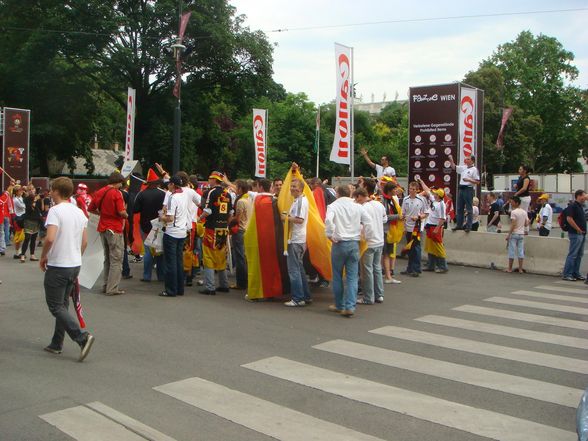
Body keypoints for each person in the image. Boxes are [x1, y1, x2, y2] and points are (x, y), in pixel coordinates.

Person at [39, 177, 94, 361]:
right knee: (63, 305)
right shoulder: (79, 212)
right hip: (74, 264)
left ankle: (82, 337)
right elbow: (84, 241)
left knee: (55, 306)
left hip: (58, 264)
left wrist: (43, 256)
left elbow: (50, 238)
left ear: (56, 191)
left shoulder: (55, 211)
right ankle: (57, 342)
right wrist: (76, 255)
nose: (50, 193)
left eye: (51, 190)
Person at [325, 185, 370, 317]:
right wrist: (366, 236)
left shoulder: (333, 206)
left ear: (337, 193)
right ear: (350, 193)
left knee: (337, 275)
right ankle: (350, 305)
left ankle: (339, 304)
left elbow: (328, 220)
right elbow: (368, 221)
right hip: (354, 243)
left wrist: (329, 234)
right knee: (352, 277)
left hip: (339, 243)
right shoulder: (358, 206)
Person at [88, 172, 128, 296]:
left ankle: (106, 285)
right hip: (114, 228)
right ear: (119, 182)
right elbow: (121, 212)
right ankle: (112, 288)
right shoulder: (117, 193)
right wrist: (126, 215)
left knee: (108, 258)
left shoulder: (100, 192)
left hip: (103, 227)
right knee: (116, 258)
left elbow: (90, 208)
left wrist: (102, 214)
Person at [198, 171, 233, 295]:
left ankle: (210, 286)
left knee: (208, 256)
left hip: (211, 228)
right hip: (223, 229)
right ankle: (224, 284)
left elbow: (207, 210)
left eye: (209, 178)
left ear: (214, 180)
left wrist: (199, 218)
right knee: (221, 255)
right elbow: (230, 214)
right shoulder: (227, 194)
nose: (208, 180)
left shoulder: (210, 192)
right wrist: (225, 225)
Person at [354, 184, 387, 305]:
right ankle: (379, 294)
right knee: (377, 268)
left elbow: (362, 225)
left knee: (367, 270)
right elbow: (385, 219)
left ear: (360, 197)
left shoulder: (363, 208)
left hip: (369, 242)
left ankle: (368, 297)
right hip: (380, 240)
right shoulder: (379, 204)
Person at [283, 178, 311, 307]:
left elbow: (299, 219)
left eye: (295, 186)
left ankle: (298, 298)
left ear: (301, 188)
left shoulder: (300, 201)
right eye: (291, 186)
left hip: (295, 238)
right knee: (299, 268)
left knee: (294, 269)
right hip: (297, 238)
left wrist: (286, 218)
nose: (292, 188)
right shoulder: (299, 200)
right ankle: (305, 295)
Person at [159, 175, 189, 297]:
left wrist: (161, 217)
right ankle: (180, 288)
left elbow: (170, 218)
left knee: (170, 263)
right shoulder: (184, 195)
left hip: (172, 232)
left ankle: (171, 289)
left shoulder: (173, 197)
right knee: (179, 261)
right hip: (182, 231)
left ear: (172, 185)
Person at [133, 173, 165, 282]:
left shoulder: (141, 194)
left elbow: (135, 209)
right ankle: (161, 276)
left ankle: (147, 276)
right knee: (159, 251)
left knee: (148, 252)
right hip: (160, 226)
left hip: (145, 226)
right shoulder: (164, 194)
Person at [418, 179, 448, 273]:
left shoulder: (441, 204)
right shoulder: (434, 200)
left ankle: (443, 266)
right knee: (430, 246)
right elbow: (427, 191)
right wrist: (421, 182)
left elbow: (443, 218)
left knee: (438, 246)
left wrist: (437, 228)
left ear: (438, 196)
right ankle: (431, 265)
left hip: (435, 227)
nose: (433, 194)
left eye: (435, 193)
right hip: (429, 226)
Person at [400, 181, 428, 276]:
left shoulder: (421, 200)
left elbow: (426, 213)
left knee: (416, 248)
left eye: (413, 189)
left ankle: (416, 269)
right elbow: (403, 213)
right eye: (410, 189)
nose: (411, 191)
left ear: (417, 190)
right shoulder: (405, 199)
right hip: (408, 226)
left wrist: (419, 217)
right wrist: (403, 226)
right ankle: (410, 268)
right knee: (409, 248)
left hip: (417, 227)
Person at [448, 154, 480, 232]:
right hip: (461, 188)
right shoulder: (464, 167)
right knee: (460, 208)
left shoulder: (474, 169)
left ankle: (469, 226)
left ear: (472, 161)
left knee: (469, 208)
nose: (466, 160)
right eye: (466, 159)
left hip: (468, 188)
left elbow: (477, 181)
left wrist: (468, 180)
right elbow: (454, 167)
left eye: (468, 159)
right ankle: (459, 225)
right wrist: (451, 160)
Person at [231, 180, 252, 290]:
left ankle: (241, 283)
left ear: (240, 189)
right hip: (247, 229)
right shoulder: (249, 199)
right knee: (244, 257)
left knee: (239, 257)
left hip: (239, 230)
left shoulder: (240, 201)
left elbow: (237, 218)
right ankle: (246, 281)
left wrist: (229, 219)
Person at [562, 189, 587, 281]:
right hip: (576, 233)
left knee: (579, 254)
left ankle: (576, 273)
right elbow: (569, 218)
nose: (585, 198)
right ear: (579, 196)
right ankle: (567, 274)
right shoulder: (573, 206)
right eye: (584, 196)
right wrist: (578, 229)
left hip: (582, 234)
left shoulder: (580, 206)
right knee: (573, 254)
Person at [381, 181, 403, 284]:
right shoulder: (383, 200)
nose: (396, 190)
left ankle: (388, 275)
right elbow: (384, 217)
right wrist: (398, 217)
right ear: (389, 190)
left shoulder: (392, 200)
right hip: (385, 230)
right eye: (394, 189)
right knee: (386, 254)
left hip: (391, 230)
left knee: (389, 253)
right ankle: (388, 276)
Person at [505, 196, 529, 273]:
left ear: (517, 203)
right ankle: (520, 269)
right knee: (520, 251)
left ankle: (509, 268)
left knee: (511, 251)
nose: (511, 203)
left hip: (514, 233)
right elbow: (526, 223)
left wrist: (509, 234)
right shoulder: (524, 212)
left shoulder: (513, 212)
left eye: (512, 202)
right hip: (521, 234)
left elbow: (513, 224)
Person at [20, 186, 42, 263]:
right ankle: (22, 255)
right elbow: (30, 209)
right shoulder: (26, 199)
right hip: (28, 220)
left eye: (33, 189)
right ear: (28, 191)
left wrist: (38, 200)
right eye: (30, 190)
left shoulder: (38, 199)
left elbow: (40, 209)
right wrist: (34, 201)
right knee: (27, 238)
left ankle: (32, 255)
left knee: (34, 238)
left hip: (36, 220)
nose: (32, 191)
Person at [513, 165, 532, 233]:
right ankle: (522, 227)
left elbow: (524, 188)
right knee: (520, 212)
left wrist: (517, 193)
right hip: (520, 197)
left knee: (523, 213)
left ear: (525, 171)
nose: (519, 170)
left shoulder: (526, 178)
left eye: (520, 169)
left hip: (524, 198)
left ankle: (526, 229)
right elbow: (519, 185)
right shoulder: (521, 177)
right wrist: (516, 186)